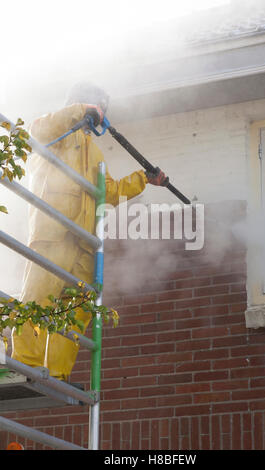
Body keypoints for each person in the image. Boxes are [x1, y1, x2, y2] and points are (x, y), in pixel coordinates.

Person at [11, 81, 167, 381]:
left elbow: (107, 192)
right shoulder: (56, 131)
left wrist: (143, 179)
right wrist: (80, 111)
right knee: (38, 297)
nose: (100, 115)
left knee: (76, 310)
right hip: (53, 230)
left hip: (82, 241)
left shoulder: (95, 154)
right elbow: (37, 131)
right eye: (97, 107)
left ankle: (56, 372)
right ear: (81, 104)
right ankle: (23, 364)